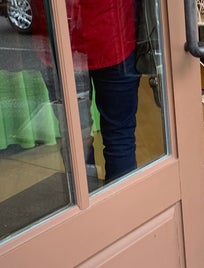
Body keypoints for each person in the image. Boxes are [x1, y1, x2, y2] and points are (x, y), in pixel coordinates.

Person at [33, 0, 141, 182]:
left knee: (76, 138)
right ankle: (123, 208)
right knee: (120, 135)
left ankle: (87, 202)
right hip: (112, 32)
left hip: (60, 35)